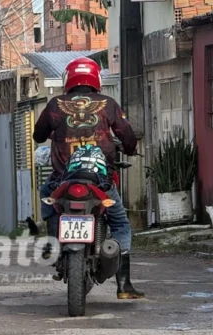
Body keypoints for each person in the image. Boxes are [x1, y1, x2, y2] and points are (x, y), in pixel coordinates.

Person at [32, 56, 144, 300]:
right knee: (121, 224)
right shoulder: (109, 104)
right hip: (99, 182)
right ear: (96, 79)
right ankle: (124, 286)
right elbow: (126, 134)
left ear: (68, 80)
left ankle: (53, 239)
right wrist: (131, 148)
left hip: (64, 181)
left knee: (46, 194)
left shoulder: (55, 105)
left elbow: (38, 135)